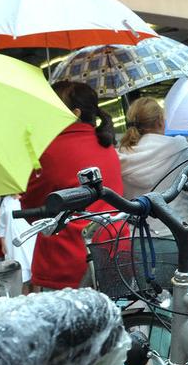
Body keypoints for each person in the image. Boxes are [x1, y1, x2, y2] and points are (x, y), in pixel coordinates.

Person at [21, 81, 124, 290]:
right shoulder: (107, 146)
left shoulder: (50, 151)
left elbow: (33, 212)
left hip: (66, 260)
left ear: (75, 113)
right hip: (113, 252)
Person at [118, 97, 188, 235]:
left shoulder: (120, 156)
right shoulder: (180, 147)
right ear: (160, 120)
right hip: (181, 228)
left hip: (139, 235)